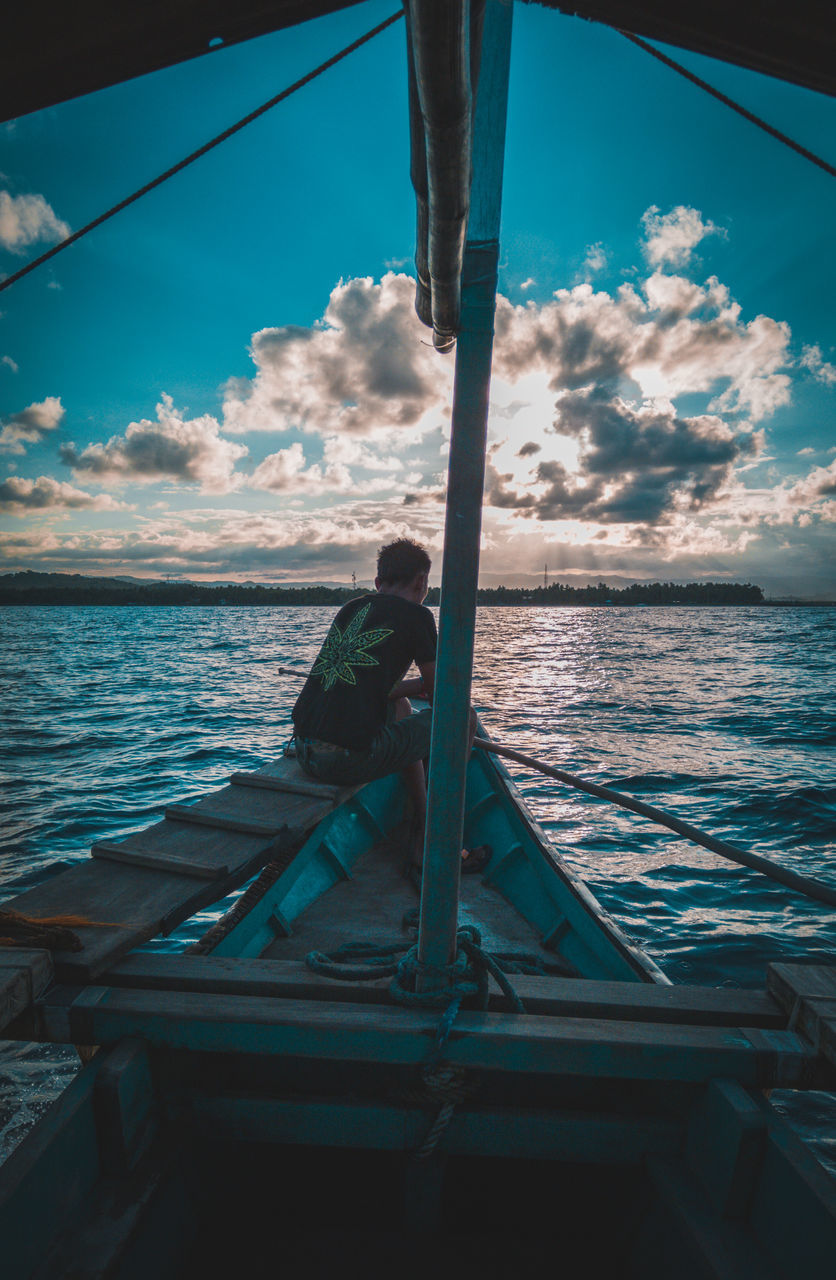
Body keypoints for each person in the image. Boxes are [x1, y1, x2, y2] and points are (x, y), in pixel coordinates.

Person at [292, 537, 486, 873]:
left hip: (305, 751)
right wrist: (432, 688)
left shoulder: (352, 608)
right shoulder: (418, 616)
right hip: (344, 760)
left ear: (379, 581)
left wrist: (413, 688)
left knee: (402, 711)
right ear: (422, 581)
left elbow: (371, 688)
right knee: (463, 719)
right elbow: (445, 696)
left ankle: (423, 825)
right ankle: (442, 844)